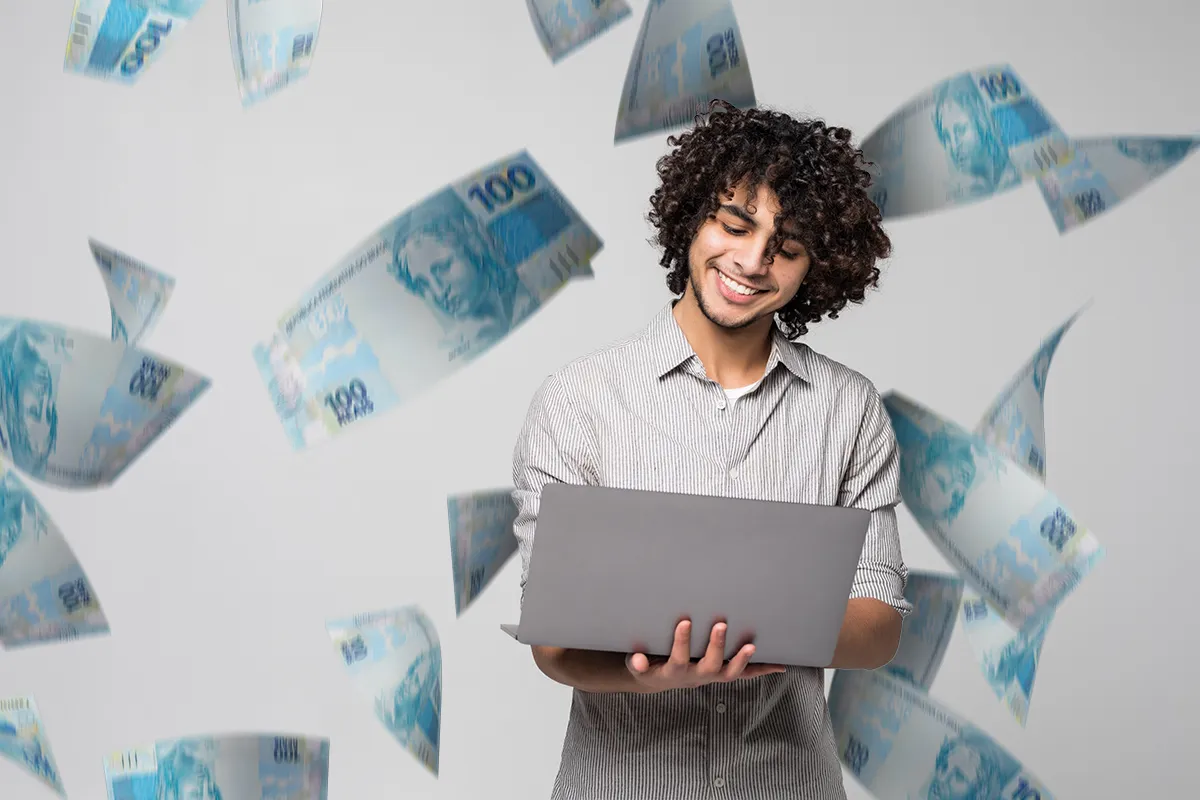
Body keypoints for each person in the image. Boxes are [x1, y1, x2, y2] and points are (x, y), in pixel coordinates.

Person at [511, 99, 911, 800]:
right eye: (734, 224)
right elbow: (555, 644)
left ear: (815, 266)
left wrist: (735, 621)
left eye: (785, 249)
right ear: (693, 217)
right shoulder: (578, 401)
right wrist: (653, 669)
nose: (752, 263)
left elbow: (877, 626)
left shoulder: (849, 409)